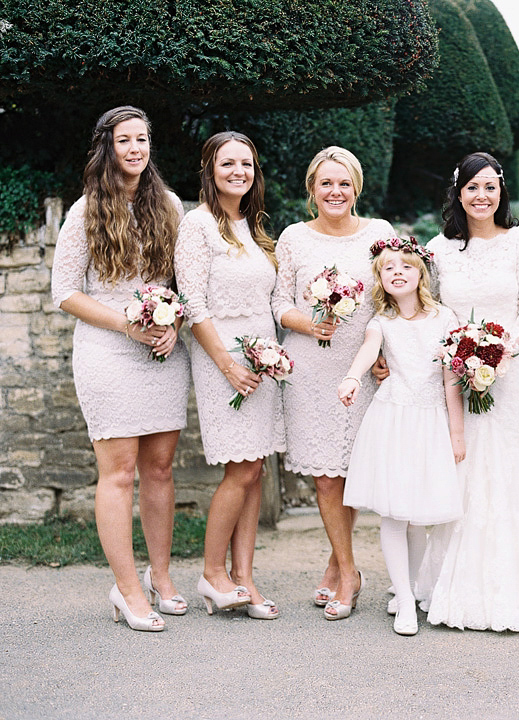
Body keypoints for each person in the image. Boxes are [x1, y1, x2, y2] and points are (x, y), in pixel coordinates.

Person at [414, 152, 519, 632]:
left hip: (513, 370)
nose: (481, 196)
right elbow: (431, 311)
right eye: (472, 187)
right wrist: (462, 355)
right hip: (456, 372)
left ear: (501, 191)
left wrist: (497, 351)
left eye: (490, 187)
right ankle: (454, 580)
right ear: (458, 193)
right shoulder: (439, 249)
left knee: (509, 468)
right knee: (466, 469)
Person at [50, 106, 189, 631]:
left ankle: (161, 576)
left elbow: (180, 281)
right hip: (107, 350)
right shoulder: (85, 212)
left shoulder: (170, 205)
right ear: (106, 148)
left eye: (142, 139)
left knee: (159, 469)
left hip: (160, 349)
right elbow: (64, 292)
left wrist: (173, 321)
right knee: (121, 471)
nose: (135, 149)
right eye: (124, 141)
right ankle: (127, 589)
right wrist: (126, 326)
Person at [271, 146, 396, 618]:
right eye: (326, 183)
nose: (335, 191)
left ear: (357, 187)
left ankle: (334, 565)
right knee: (326, 476)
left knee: (352, 471)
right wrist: (308, 324)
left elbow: (393, 298)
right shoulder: (293, 239)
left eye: (344, 183)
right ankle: (348, 573)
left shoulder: (380, 235)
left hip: (360, 368)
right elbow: (279, 303)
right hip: (312, 367)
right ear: (312, 189)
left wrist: (385, 354)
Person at [174, 131, 284, 619]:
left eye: (247, 164)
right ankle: (212, 573)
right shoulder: (197, 226)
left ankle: (245, 578)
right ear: (210, 170)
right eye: (228, 163)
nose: (239, 171)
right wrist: (228, 364)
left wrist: (267, 357)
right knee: (239, 468)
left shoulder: (253, 225)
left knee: (256, 466)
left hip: (262, 358)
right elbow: (193, 302)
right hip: (224, 358)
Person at [337, 238, 465, 634]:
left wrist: (456, 432)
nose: (397, 272)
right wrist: (353, 377)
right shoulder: (381, 323)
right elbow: (366, 351)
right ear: (379, 278)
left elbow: (450, 378)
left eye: (406, 266)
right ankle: (406, 602)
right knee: (394, 512)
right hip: (392, 420)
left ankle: (410, 586)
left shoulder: (445, 318)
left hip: (430, 422)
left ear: (421, 274)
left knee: (417, 516)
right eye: (388, 267)